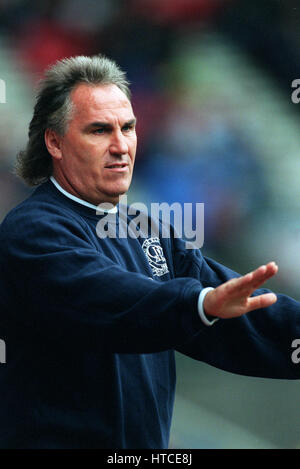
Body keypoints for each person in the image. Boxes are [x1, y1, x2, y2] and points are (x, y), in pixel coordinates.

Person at [0, 55, 299, 449]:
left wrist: (209, 304)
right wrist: (199, 303)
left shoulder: (146, 229)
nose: (120, 146)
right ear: (54, 142)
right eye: (99, 130)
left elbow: (238, 310)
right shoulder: (30, 231)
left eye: (128, 128)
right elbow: (111, 301)